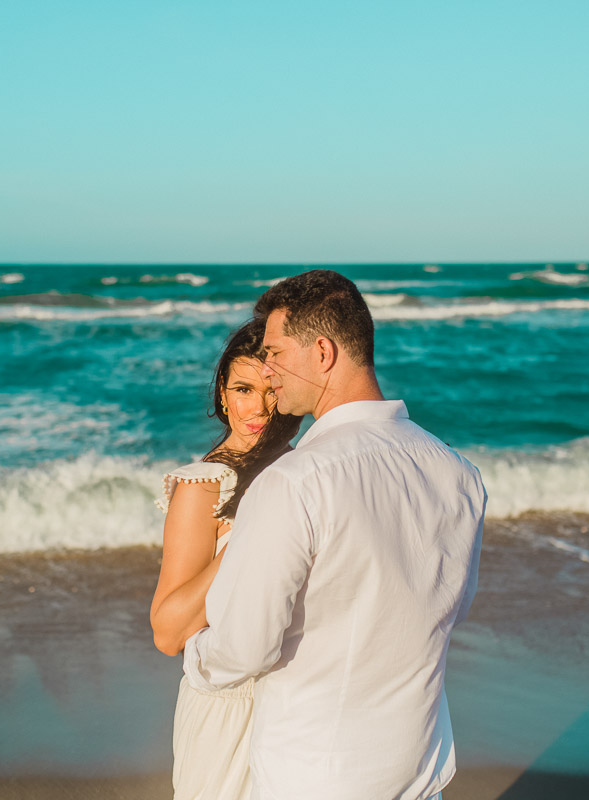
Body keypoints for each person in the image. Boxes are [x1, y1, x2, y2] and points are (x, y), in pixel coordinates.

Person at [182, 270, 487, 800]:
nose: (268, 370)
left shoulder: (294, 482)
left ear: (322, 352)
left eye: (275, 353)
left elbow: (243, 649)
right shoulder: (458, 473)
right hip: (418, 772)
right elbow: (450, 609)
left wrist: (196, 659)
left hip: (314, 777)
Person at [151, 319, 303, 800]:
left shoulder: (311, 471)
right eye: (243, 389)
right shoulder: (204, 487)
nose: (257, 408)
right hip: (229, 709)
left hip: (300, 700)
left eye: (271, 389)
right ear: (222, 393)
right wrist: (250, 536)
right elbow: (168, 632)